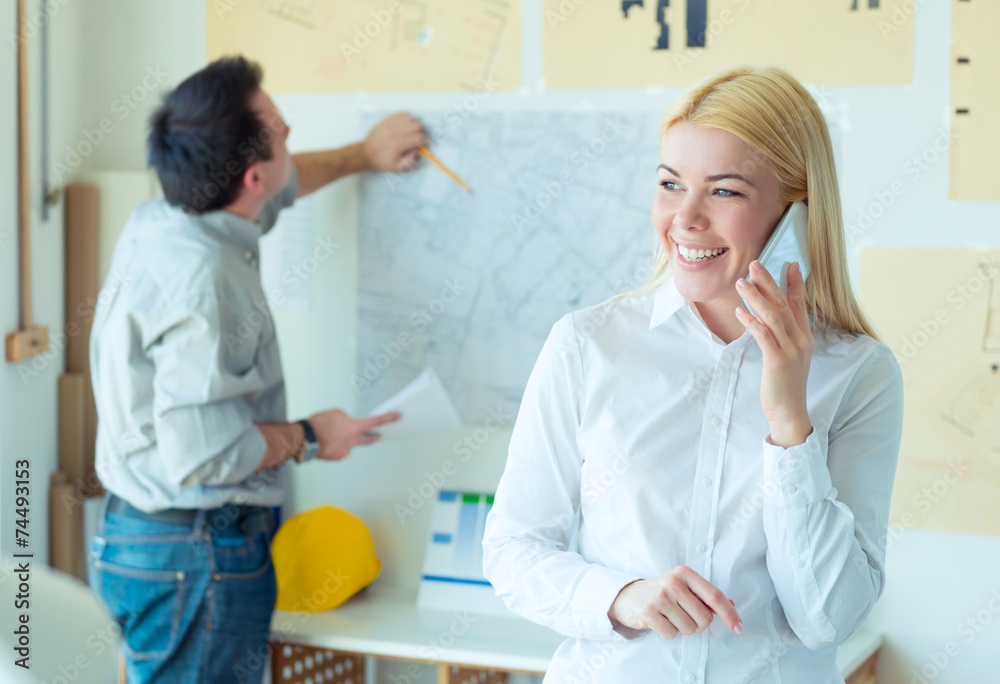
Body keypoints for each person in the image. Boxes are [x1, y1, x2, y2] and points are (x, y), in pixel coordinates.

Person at [482, 65, 904, 683]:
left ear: (796, 214)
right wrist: (621, 596)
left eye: (725, 191)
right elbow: (512, 551)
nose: (685, 218)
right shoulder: (587, 344)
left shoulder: (861, 375)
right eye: (670, 184)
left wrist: (790, 424)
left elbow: (828, 620)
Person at [88, 56, 425, 683]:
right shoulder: (206, 281)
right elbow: (207, 455)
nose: (290, 129)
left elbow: (283, 186)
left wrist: (364, 153)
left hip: (144, 540)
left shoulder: (171, 215)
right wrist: (313, 437)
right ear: (250, 174)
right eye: (277, 125)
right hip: (197, 559)